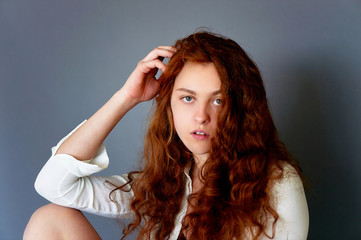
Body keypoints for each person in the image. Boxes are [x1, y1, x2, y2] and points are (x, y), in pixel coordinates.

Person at [23, 31, 309, 240]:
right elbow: (53, 185)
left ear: (242, 109)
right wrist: (126, 97)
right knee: (51, 218)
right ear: (169, 105)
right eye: (187, 98)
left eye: (218, 101)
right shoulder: (165, 182)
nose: (201, 116)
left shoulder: (277, 184)